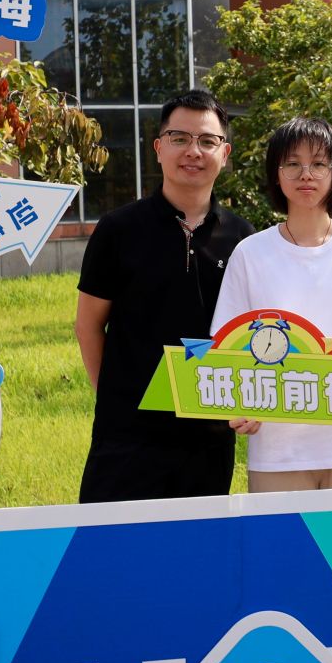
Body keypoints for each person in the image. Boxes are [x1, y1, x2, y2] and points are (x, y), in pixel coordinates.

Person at [75, 89, 254, 503]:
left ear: (224, 153)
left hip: (209, 435)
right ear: (159, 148)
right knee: (113, 540)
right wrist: (115, 399)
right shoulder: (118, 230)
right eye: (180, 138)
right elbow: (88, 326)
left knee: (198, 542)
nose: (193, 151)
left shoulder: (244, 239)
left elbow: (249, 335)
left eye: (207, 141)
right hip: (126, 436)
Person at [213, 117, 332, 491]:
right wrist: (239, 405)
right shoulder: (250, 254)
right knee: (281, 534)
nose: (306, 174)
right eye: (292, 163)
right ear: (276, 173)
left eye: (318, 163)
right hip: (277, 448)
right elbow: (226, 345)